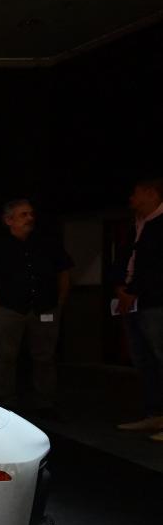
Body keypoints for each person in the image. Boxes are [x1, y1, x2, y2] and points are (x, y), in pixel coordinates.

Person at [0, 199, 72, 409]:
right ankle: (6, 401)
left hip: (45, 309)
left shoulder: (47, 243)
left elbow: (64, 271)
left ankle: (45, 402)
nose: (30, 218)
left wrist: (59, 303)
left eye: (31, 214)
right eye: (23, 215)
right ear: (8, 220)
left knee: (45, 357)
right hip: (9, 310)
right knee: (6, 356)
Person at [114, 177, 163, 440]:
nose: (131, 199)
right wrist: (120, 287)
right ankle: (154, 414)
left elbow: (155, 268)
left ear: (149, 193)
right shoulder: (136, 225)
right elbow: (125, 258)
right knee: (145, 360)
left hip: (155, 302)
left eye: (135, 193)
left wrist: (132, 291)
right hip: (135, 303)